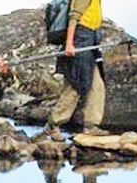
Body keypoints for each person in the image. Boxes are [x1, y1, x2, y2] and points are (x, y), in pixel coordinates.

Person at [44, 0, 108, 141]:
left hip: (91, 37)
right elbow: (74, 17)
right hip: (80, 37)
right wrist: (69, 44)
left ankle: (90, 126)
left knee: (97, 85)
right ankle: (53, 125)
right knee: (76, 83)